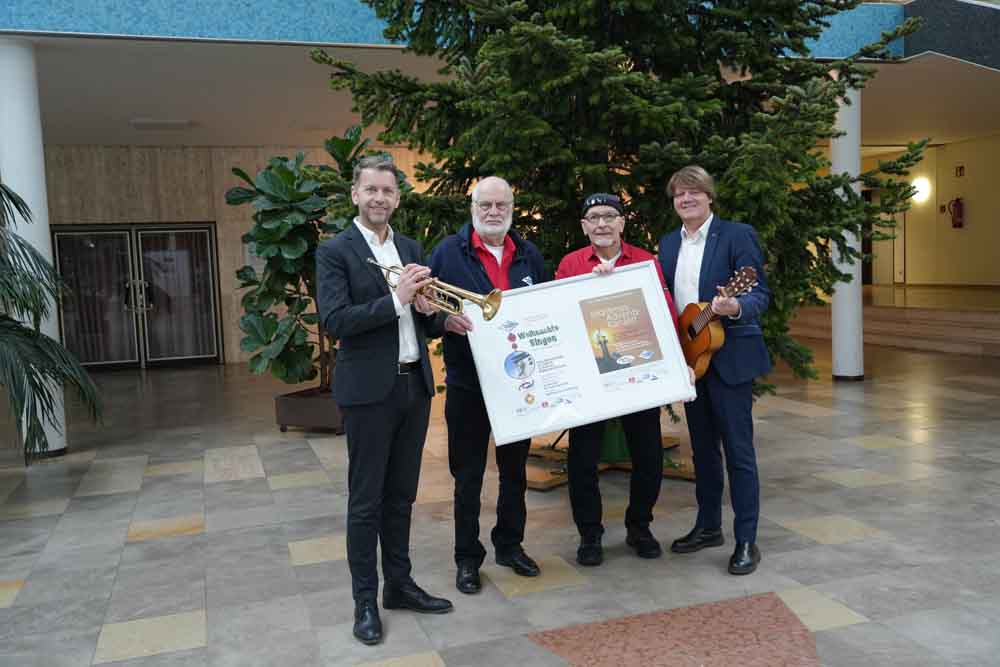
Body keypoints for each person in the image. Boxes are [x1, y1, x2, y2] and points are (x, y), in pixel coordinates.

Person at [317, 155, 453, 646]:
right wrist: (397, 298)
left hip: (413, 387)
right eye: (370, 190)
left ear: (398, 198)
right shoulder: (336, 252)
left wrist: (437, 316)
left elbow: (418, 320)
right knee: (365, 501)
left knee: (402, 495)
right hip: (368, 393)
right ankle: (364, 602)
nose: (379, 199)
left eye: (388, 192)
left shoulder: (410, 247)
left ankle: (399, 585)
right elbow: (336, 321)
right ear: (355, 194)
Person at [428, 176, 549, 594]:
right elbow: (424, 310)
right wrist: (444, 321)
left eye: (502, 205)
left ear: (512, 207)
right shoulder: (447, 252)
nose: (494, 212)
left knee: (515, 472)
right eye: (486, 205)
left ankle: (510, 545)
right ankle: (467, 557)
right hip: (468, 385)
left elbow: (546, 309)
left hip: (517, 384)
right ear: (472, 207)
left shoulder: (529, 254)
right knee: (468, 475)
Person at [554, 193, 682, 567]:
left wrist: (676, 364)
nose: (602, 223)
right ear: (584, 226)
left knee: (648, 456)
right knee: (582, 460)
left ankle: (639, 526)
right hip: (587, 379)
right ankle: (589, 534)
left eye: (610, 215)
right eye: (593, 217)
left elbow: (664, 314)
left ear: (622, 222)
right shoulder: (571, 264)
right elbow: (558, 317)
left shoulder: (644, 262)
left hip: (638, 376)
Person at [658, 165, 771, 575]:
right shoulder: (669, 244)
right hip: (693, 360)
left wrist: (735, 306)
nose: (686, 200)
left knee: (739, 453)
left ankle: (746, 540)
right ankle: (708, 526)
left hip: (730, 360)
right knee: (703, 451)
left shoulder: (737, 235)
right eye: (679, 195)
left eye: (693, 193)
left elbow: (759, 291)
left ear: (709, 196)